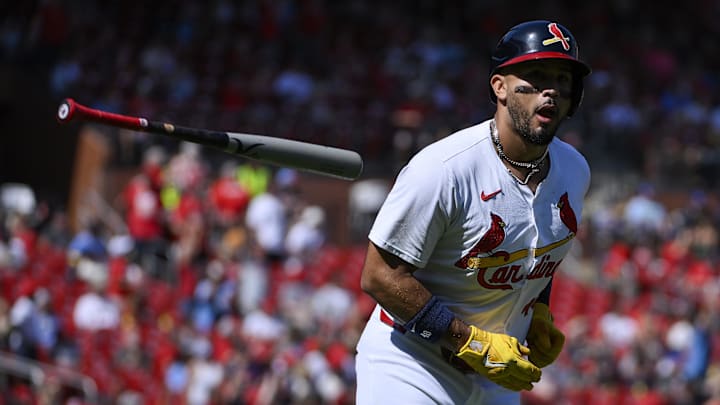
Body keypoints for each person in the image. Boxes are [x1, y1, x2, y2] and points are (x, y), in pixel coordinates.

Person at [355, 20, 592, 404]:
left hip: (498, 373)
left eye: (562, 79)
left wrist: (539, 313)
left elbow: (535, 255)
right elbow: (379, 276)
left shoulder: (575, 171)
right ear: (499, 87)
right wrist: (469, 342)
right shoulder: (444, 168)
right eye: (535, 76)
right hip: (412, 363)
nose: (550, 90)